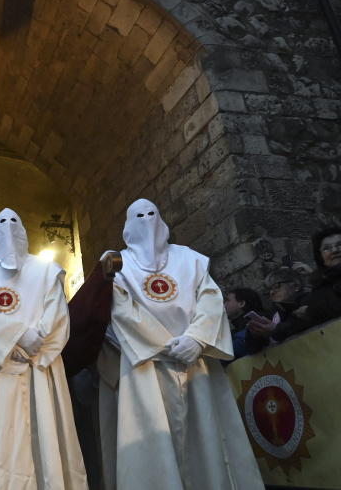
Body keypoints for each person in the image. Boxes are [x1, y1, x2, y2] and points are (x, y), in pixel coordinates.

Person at [97, 199, 262, 490]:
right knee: (153, 443)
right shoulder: (118, 265)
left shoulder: (190, 259)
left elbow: (210, 300)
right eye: (139, 216)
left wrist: (196, 339)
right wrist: (164, 345)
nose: (146, 220)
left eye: (151, 214)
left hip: (195, 361)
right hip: (146, 366)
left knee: (207, 437)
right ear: (127, 226)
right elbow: (121, 310)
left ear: (161, 220)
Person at [0, 208, 88, 490]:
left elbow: (57, 311)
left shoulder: (46, 270)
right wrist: (16, 338)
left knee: (45, 442)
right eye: (2, 223)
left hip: (39, 369)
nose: (9, 227)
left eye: (15, 222)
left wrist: (33, 340)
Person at [243, 267, 307, 354]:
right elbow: (252, 349)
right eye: (269, 290)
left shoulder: (309, 302)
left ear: (296, 286)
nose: (271, 293)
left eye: (276, 286)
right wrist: (255, 334)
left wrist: (275, 330)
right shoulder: (272, 315)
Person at [223, 287, 265, 359]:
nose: (224, 305)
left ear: (241, 303)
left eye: (227, 301)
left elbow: (229, 353)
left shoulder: (258, 321)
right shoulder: (237, 328)